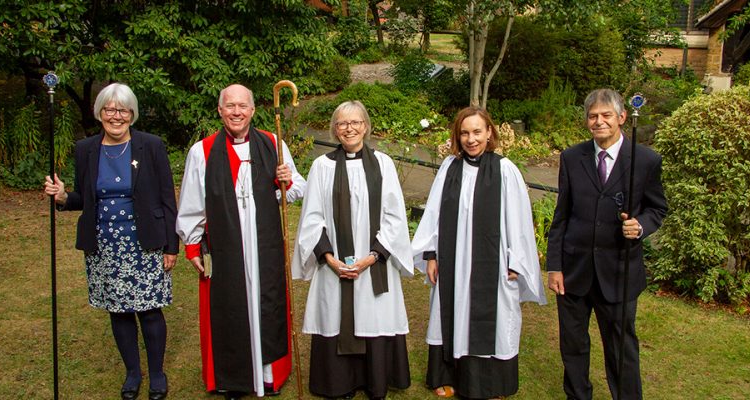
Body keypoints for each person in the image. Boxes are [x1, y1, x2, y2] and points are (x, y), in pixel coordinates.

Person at [44, 83, 178, 400]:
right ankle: (133, 373)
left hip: (144, 241)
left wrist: (171, 245)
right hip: (105, 243)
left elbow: (167, 199)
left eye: (122, 110)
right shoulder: (86, 149)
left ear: (132, 114)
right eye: (109, 109)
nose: (115, 116)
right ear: (99, 112)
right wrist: (63, 197)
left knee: (149, 309)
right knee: (117, 311)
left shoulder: (151, 145)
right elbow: (84, 198)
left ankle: (157, 373)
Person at [176, 84, 306, 399]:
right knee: (230, 307)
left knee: (267, 303)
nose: (237, 112)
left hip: (264, 244)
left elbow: (297, 189)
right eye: (230, 106)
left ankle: (268, 375)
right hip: (225, 244)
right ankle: (234, 379)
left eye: (243, 106)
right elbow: (192, 203)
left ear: (252, 110)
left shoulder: (272, 143)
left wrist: (285, 180)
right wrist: (193, 245)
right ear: (220, 110)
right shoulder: (202, 151)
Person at [411, 106, 546, 399]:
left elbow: (519, 220)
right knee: (450, 312)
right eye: (464, 133)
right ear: (457, 137)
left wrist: (517, 261)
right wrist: (431, 254)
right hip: (454, 261)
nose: (471, 139)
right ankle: (446, 375)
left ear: (489, 133)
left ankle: (491, 384)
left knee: (494, 319)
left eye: (477, 132)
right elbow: (433, 213)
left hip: (492, 262)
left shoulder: (504, 170)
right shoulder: (450, 168)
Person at [546, 88, 667, 400]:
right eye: (592, 116)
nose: (598, 121)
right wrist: (555, 267)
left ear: (622, 118)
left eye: (606, 115)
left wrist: (641, 225)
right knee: (573, 344)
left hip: (618, 272)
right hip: (574, 270)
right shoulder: (572, 158)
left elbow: (657, 208)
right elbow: (561, 216)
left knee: (620, 347)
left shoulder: (646, 160)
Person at [292, 101, 413, 400]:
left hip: (374, 264)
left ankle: (375, 383)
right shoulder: (323, 166)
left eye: (356, 122)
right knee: (336, 315)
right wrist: (329, 258)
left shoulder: (383, 164)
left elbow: (395, 216)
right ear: (335, 129)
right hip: (335, 264)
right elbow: (312, 217)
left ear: (366, 126)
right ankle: (339, 383)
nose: (349, 128)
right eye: (343, 123)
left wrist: (372, 257)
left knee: (373, 316)